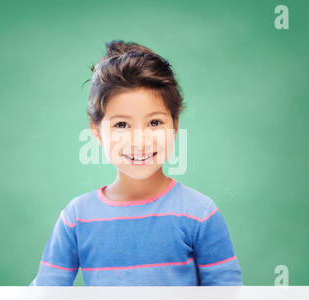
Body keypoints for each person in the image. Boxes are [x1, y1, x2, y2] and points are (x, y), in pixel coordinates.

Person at [30, 40, 243, 286]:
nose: (139, 141)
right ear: (97, 131)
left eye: (154, 123)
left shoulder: (200, 213)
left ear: (175, 124)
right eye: (121, 125)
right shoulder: (77, 218)